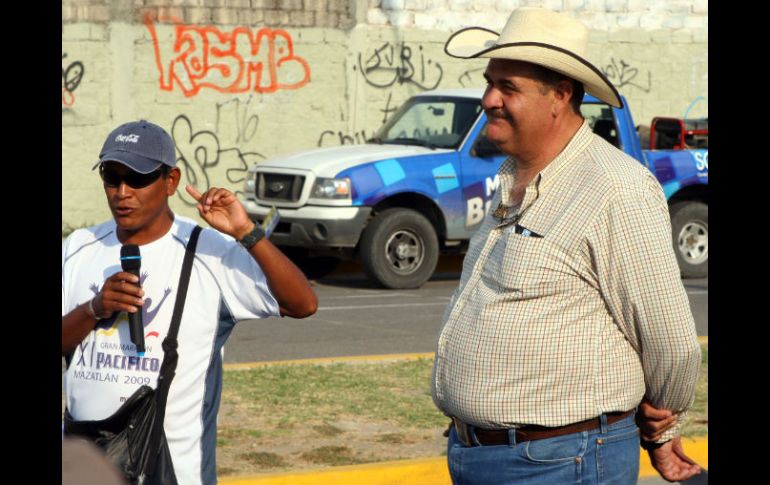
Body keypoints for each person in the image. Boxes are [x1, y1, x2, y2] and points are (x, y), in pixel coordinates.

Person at [431, 8, 702, 485]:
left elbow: (671, 341)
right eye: (489, 82)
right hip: (500, 457)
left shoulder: (615, 188)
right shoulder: (514, 178)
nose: (489, 99)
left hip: (560, 462)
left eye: (507, 87)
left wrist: (662, 422)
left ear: (559, 96)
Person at [62, 120, 318, 485]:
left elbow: (302, 303)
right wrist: (94, 309)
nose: (122, 192)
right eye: (111, 176)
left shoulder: (209, 253)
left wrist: (246, 233)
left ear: (171, 181)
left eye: (137, 178)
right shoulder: (78, 247)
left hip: (175, 473)